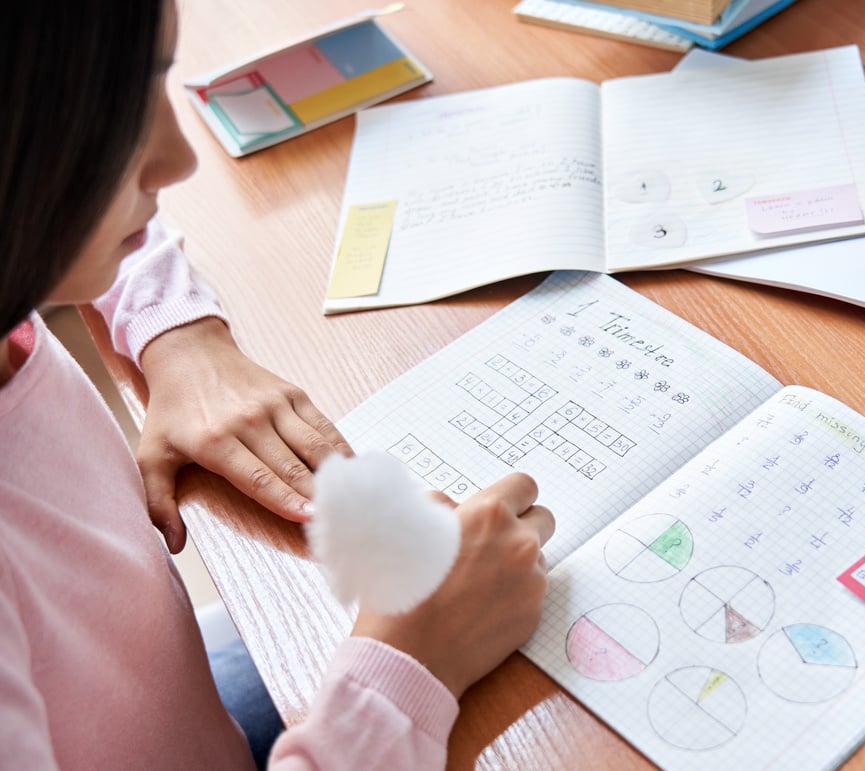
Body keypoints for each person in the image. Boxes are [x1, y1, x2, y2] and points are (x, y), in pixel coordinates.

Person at [0, 2, 555, 769]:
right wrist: (411, 663)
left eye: (152, 83)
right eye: (109, 116)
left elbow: (64, 209)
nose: (177, 162)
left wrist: (177, 331)